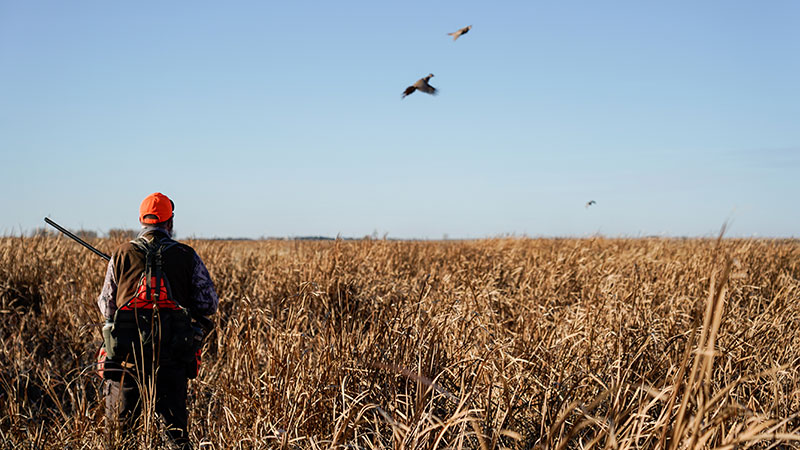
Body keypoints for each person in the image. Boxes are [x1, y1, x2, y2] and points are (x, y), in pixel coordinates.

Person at [97, 192, 218, 449]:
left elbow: (106, 305)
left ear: (142, 221)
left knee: (119, 439)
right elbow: (209, 304)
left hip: (126, 363)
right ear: (169, 223)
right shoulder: (187, 255)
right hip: (172, 361)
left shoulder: (121, 254)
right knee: (176, 439)